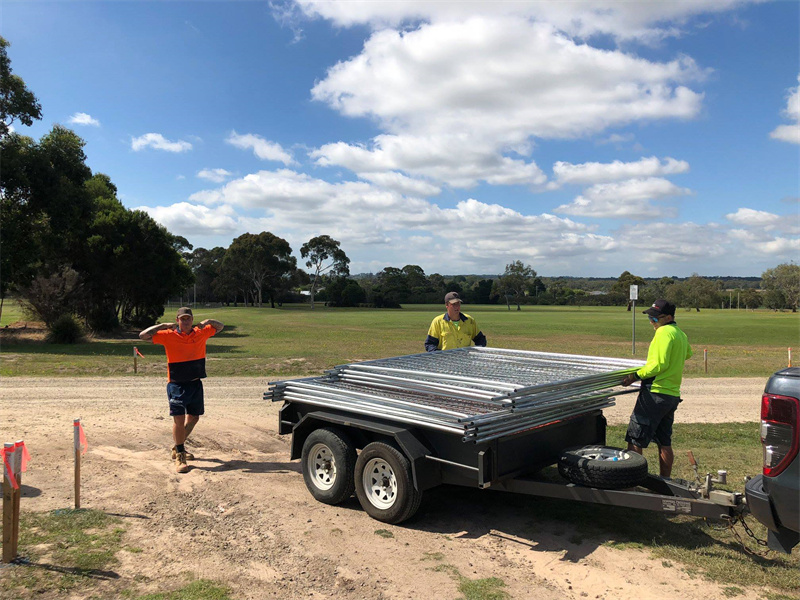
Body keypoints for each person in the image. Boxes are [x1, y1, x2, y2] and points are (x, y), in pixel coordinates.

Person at [139, 307, 224, 473]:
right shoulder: (168, 335)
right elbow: (143, 335)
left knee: (194, 417)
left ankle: (177, 446)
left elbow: (220, 327)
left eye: (188, 319)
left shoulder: (201, 332)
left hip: (195, 383)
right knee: (178, 419)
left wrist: (208, 322)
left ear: (192, 320)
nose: (185, 322)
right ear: (177, 320)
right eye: (182, 319)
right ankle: (180, 455)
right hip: (176, 383)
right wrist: (162, 325)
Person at [621, 299, 692, 478]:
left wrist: (635, 376)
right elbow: (688, 354)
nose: (652, 322)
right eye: (650, 318)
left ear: (668, 317)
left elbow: (658, 365)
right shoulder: (680, 334)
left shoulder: (664, 333)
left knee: (636, 437)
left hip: (655, 392)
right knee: (664, 441)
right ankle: (665, 481)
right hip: (671, 395)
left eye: (655, 318)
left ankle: (632, 479)